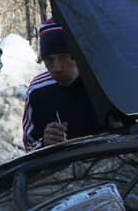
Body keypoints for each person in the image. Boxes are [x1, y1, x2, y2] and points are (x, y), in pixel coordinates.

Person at [22, 18, 100, 151]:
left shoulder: (104, 85)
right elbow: (30, 145)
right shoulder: (39, 90)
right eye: (49, 60)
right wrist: (45, 142)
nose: (57, 68)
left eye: (64, 57)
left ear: (80, 54)